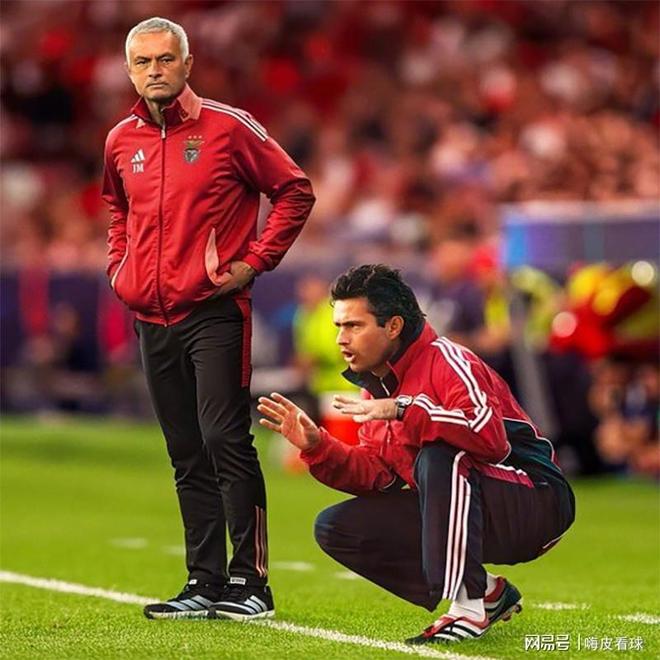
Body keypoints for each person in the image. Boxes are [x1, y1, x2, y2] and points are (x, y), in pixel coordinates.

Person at [102, 17, 315, 620]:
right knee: (185, 450)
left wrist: (256, 261)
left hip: (214, 310)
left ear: (187, 64)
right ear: (130, 71)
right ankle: (203, 581)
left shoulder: (229, 127)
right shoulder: (119, 140)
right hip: (151, 315)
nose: (155, 70)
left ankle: (252, 583)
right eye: (143, 62)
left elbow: (295, 190)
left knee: (225, 439)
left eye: (165, 59)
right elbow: (117, 209)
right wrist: (120, 269)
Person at [258, 264, 575, 644]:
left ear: (393, 326)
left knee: (439, 456)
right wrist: (318, 446)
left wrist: (404, 408)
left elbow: (489, 438)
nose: (341, 339)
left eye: (354, 326)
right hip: (468, 503)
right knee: (337, 528)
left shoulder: (448, 360)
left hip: (537, 501)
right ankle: (488, 592)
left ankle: (468, 606)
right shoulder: (376, 385)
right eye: (339, 326)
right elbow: (380, 476)